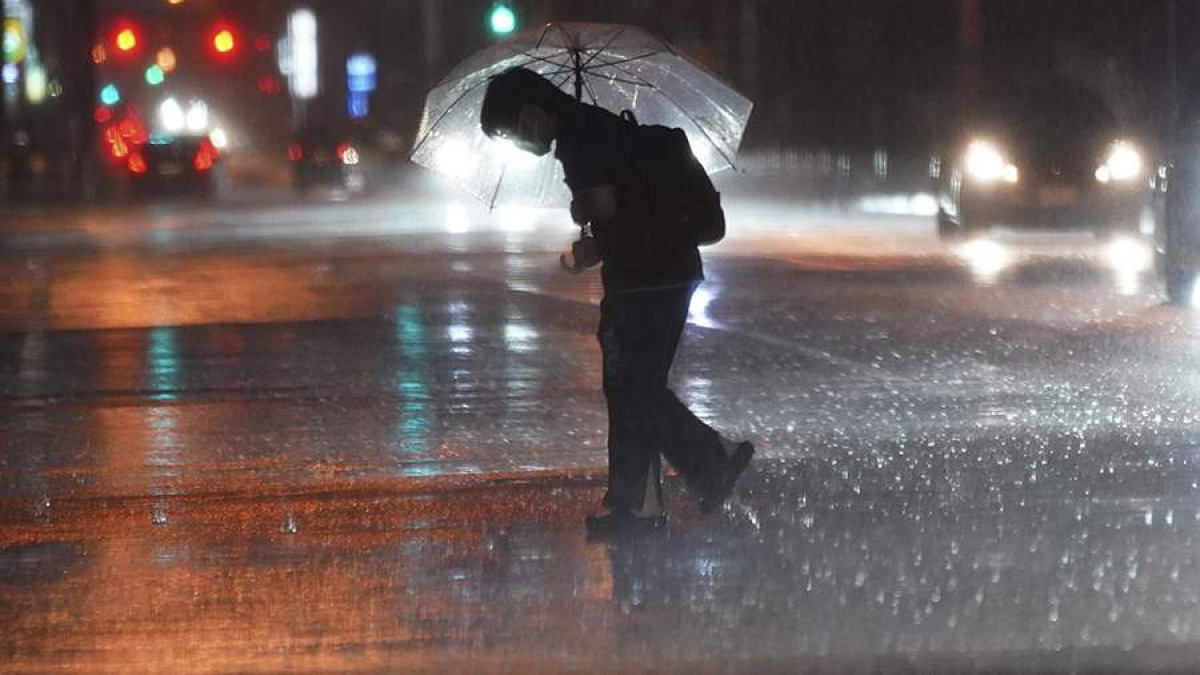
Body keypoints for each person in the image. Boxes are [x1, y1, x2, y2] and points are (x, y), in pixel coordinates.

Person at [480, 67, 754, 538]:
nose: (523, 147)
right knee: (628, 389)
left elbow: (606, 208)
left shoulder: (580, 136)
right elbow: (628, 212)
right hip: (659, 271)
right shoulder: (589, 128)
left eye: (515, 136)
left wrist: (584, 209)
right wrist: (594, 245)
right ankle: (639, 507)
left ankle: (714, 458)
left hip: (649, 278)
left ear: (529, 115)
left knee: (635, 388)